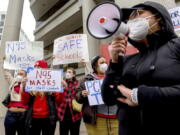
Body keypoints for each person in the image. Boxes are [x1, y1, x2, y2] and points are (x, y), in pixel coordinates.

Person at [101, 1, 180, 135]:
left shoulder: (176, 46)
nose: (131, 21)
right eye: (128, 19)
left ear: (158, 17)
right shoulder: (127, 60)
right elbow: (108, 98)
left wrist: (139, 95)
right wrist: (114, 61)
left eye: (137, 13)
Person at [76, 56, 118, 135]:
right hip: (96, 119)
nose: (105, 64)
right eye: (102, 63)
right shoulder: (86, 79)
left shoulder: (114, 76)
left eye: (105, 62)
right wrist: (82, 94)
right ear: (95, 66)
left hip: (115, 118)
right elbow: (77, 96)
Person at [26, 60, 57, 135]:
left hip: (48, 118)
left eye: (38, 67)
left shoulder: (51, 83)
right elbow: (25, 100)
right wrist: (24, 84)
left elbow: (57, 99)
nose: (36, 69)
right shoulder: (30, 82)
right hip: (33, 118)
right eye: (35, 67)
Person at [2, 65, 29, 135]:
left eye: (21, 74)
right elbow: (6, 73)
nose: (19, 75)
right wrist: (6, 62)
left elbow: (26, 100)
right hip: (11, 115)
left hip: (23, 116)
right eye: (18, 74)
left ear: (25, 76)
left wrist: (24, 85)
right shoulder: (13, 81)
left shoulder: (29, 85)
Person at [55, 67, 82, 135]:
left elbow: (77, 97)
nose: (67, 73)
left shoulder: (77, 83)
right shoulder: (61, 83)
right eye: (67, 72)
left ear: (74, 75)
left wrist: (66, 88)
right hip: (63, 114)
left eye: (70, 72)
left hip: (75, 115)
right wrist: (62, 88)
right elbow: (57, 100)